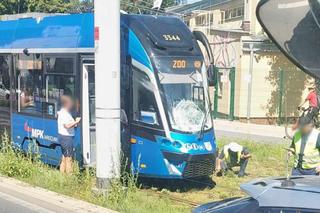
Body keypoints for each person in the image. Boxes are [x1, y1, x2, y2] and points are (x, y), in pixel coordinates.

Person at [57, 95, 81, 174]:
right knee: (69, 159)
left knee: (64, 157)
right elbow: (66, 125)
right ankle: (69, 177)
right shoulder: (64, 113)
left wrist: (74, 123)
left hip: (64, 137)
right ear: (66, 103)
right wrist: (76, 122)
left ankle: (62, 176)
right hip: (66, 138)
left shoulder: (66, 112)